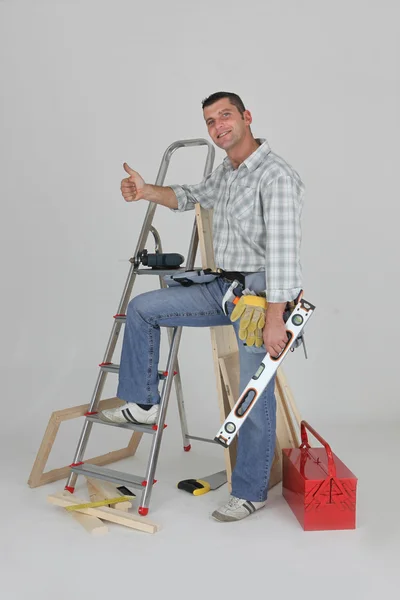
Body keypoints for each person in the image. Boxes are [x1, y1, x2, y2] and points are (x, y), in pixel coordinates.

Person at [100, 91, 305, 522]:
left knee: (252, 395)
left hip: (261, 296)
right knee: (143, 309)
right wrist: (145, 192)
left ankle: (250, 491)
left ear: (247, 117)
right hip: (222, 288)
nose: (218, 127)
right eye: (211, 121)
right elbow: (190, 195)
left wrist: (274, 320)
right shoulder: (228, 174)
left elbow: (285, 255)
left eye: (225, 116)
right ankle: (143, 401)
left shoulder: (276, 175)